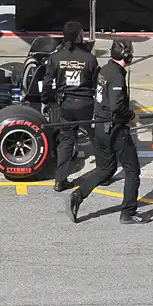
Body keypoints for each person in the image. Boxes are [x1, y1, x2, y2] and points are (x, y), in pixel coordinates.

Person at [65, 40, 149, 225]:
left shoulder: (105, 69)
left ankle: (78, 195)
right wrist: (132, 116)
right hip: (115, 130)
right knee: (132, 170)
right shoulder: (117, 76)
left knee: (106, 168)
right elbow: (117, 106)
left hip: (100, 127)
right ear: (128, 56)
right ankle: (128, 213)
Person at [41, 21, 100, 192]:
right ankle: (103, 174)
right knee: (96, 138)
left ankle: (60, 180)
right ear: (79, 36)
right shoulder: (89, 58)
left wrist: (48, 99)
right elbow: (98, 84)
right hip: (86, 105)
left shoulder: (55, 57)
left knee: (66, 141)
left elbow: (47, 83)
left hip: (66, 105)